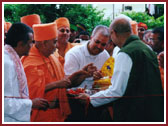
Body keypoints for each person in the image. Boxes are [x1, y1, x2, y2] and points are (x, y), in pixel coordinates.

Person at [78, 17, 164, 122]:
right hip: (152, 111)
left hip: (134, 113)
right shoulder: (146, 48)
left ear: (113, 33)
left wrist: (90, 99)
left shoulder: (126, 53)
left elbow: (117, 91)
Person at [22, 22, 92, 122]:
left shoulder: (53, 58)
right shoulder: (30, 63)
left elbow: (64, 83)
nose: (56, 46)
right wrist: (56, 84)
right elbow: (30, 92)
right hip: (40, 116)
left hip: (57, 114)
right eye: (54, 42)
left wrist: (80, 74)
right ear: (43, 43)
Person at [4, 23, 49, 122]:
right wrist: (31, 103)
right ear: (20, 44)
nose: (32, 46)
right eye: (31, 42)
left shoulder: (12, 58)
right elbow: (4, 102)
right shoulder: (6, 63)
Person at [64, 25, 110, 90]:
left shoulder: (105, 55)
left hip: (96, 96)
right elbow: (68, 84)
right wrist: (84, 75)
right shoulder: (74, 54)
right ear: (91, 37)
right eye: (97, 42)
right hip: (75, 95)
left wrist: (101, 79)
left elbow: (107, 80)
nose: (99, 46)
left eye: (103, 44)